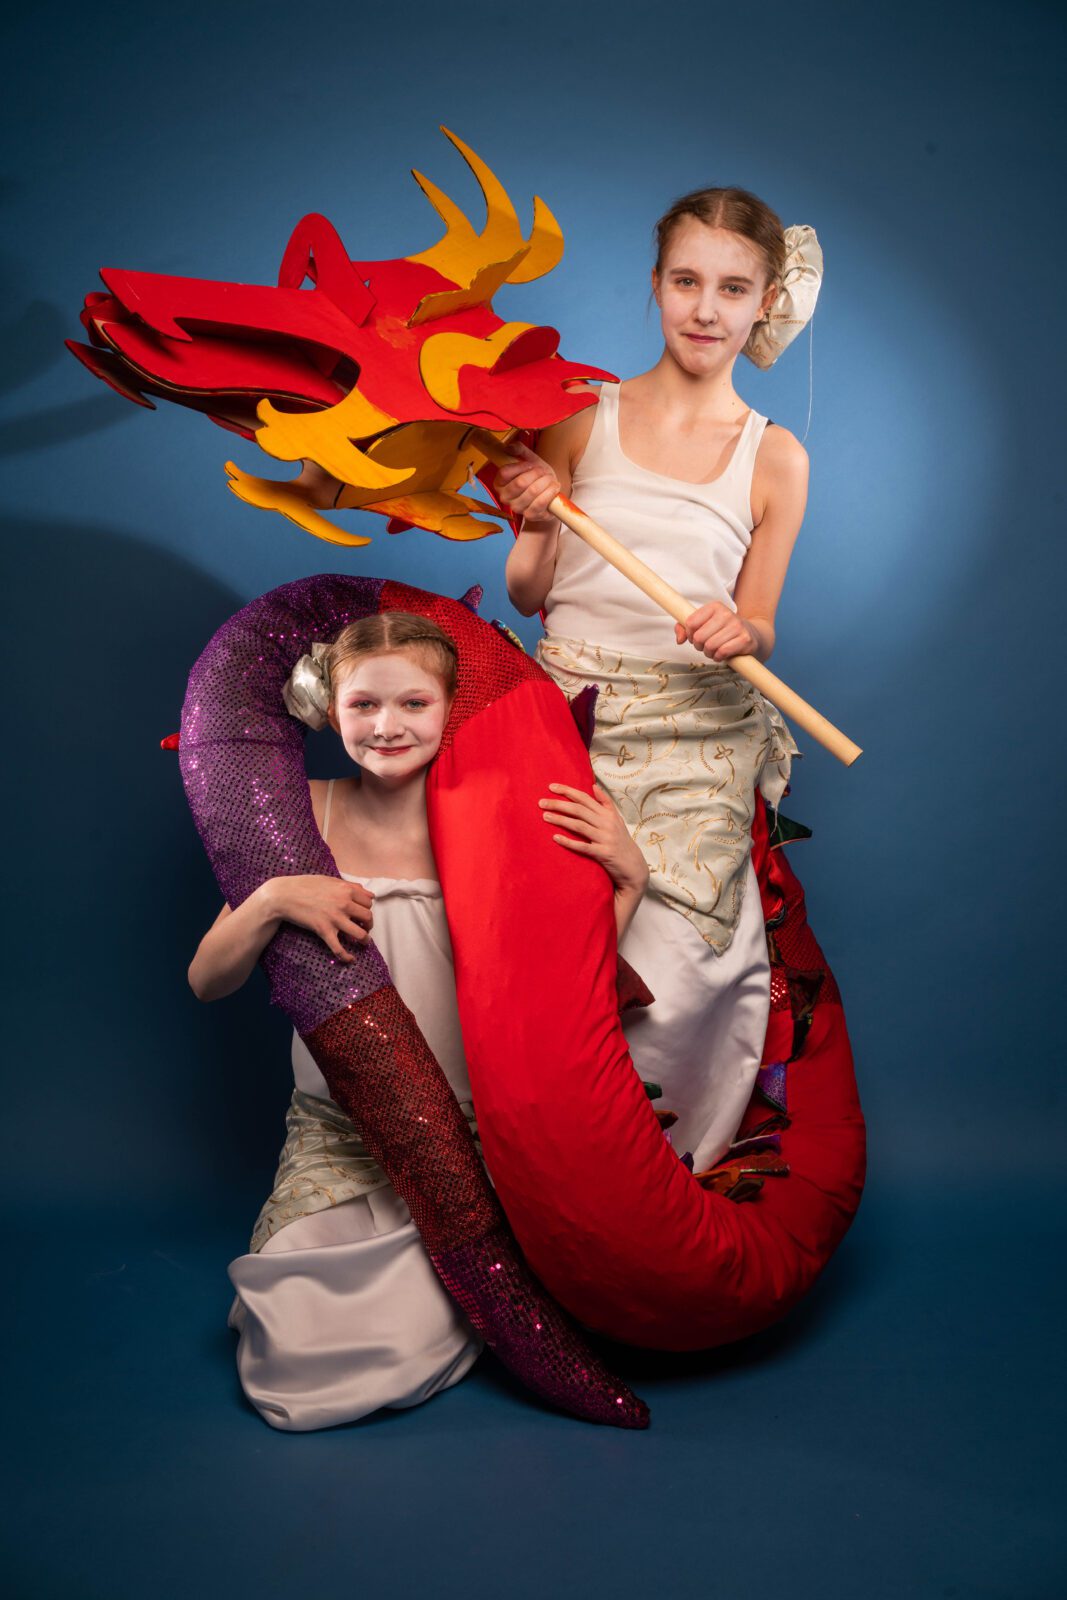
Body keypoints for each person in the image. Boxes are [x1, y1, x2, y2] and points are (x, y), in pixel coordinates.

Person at [187, 610, 649, 1431]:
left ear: (450, 709)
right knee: (296, 1344)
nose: (386, 726)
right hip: (340, 1134)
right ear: (330, 709)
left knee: (431, 1316)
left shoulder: (499, 818)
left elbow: (564, 985)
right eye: (363, 705)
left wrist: (629, 884)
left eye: (412, 704)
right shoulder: (303, 813)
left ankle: (455, 1300)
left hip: (481, 1138)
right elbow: (206, 981)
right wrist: (273, 897)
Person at [496, 185, 814, 1175]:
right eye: (685, 281)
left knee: (673, 978)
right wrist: (538, 519)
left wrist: (740, 629)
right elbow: (527, 593)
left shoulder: (775, 456)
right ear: (655, 285)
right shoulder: (577, 415)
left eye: (732, 288)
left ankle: (646, 1189)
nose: (704, 309)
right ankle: (531, 1172)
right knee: (539, 958)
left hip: (695, 735)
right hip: (568, 719)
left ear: (763, 301)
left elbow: (760, 619)